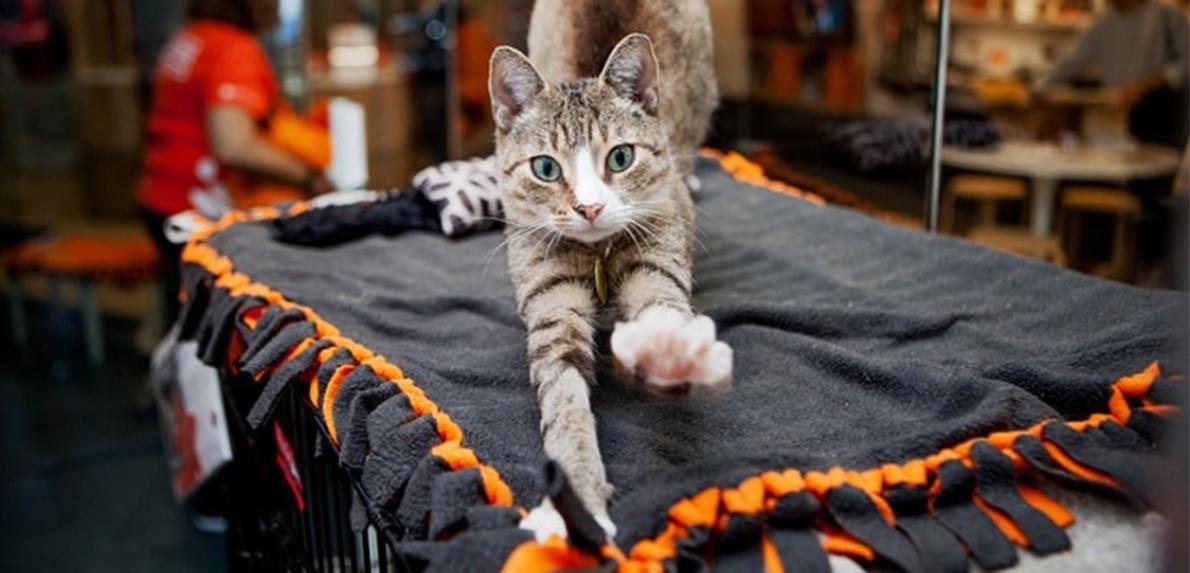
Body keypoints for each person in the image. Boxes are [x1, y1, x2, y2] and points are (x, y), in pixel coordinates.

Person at [138, 0, 331, 324]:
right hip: (196, 209)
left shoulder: (191, 36)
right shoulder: (233, 48)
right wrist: (308, 176)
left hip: (160, 197)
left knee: (185, 316)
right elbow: (234, 144)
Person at [1036, 0, 1189, 148]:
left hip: (1166, 115)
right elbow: (1071, 62)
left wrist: (1147, 84)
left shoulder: (1167, 16)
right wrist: (1039, 87)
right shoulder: (1104, 24)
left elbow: (1186, 63)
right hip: (1125, 115)